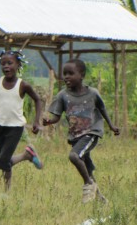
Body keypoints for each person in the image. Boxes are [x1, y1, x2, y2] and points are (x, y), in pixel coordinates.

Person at [43, 58, 119, 203]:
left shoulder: (92, 93)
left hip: (91, 132)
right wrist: (49, 121)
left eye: (71, 73)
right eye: (65, 74)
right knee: (87, 169)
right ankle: (101, 200)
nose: (66, 77)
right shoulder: (62, 95)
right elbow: (56, 117)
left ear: (82, 75)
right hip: (75, 136)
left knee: (74, 156)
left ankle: (88, 185)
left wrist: (111, 125)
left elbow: (102, 109)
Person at [0, 50, 43, 192]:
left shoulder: (23, 85)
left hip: (15, 127)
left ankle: (7, 191)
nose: (6, 66)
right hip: (1, 125)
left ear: (18, 65)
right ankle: (26, 155)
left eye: (10, 63)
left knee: (4, 160)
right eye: (3, 64)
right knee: (1, 161)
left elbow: (37, 100)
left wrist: (36, 121)